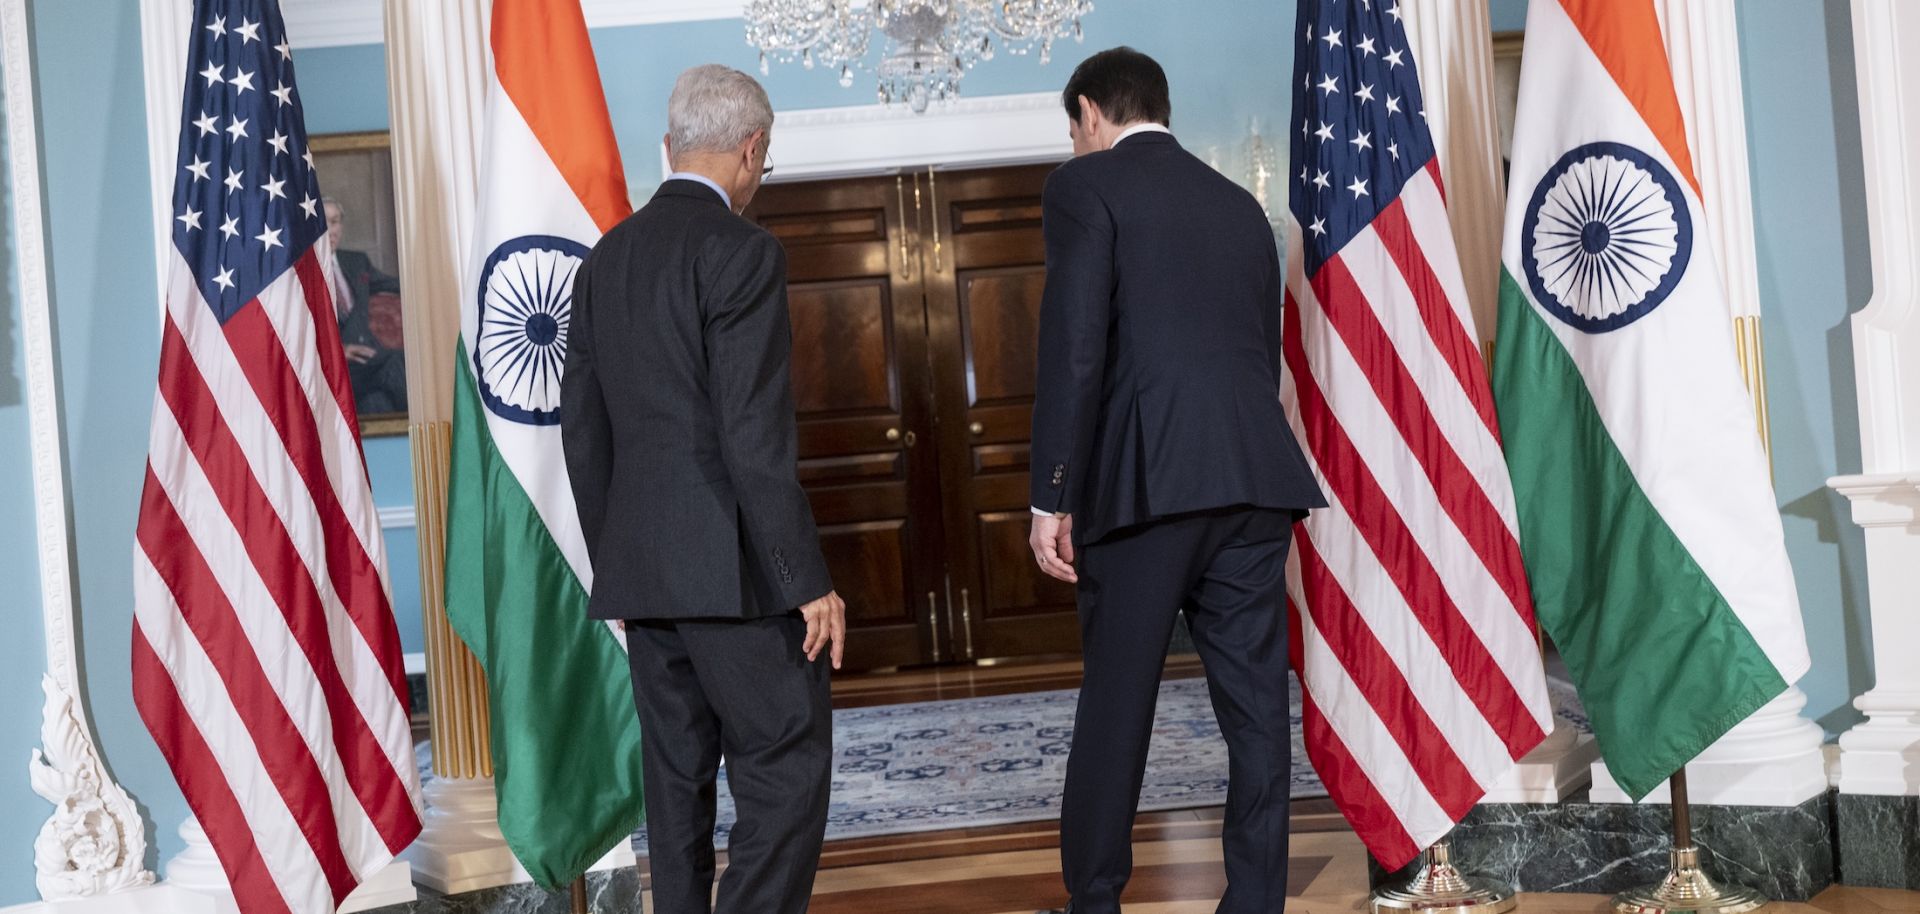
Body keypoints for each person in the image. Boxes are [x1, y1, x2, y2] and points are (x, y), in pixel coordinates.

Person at [1027, 47, 1326, 914]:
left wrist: (1053, 493)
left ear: (1089, 113)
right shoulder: (1240, 205)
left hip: (1146, 490)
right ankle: (1255, 903)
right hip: (1255, 483)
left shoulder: (1082, 189)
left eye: (1073, 127)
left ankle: (1095, 904)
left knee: (1117, 711)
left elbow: (1075, 349)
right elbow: (1256, 349)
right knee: (1256, 714)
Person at [559, 64, 847, 914]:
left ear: (669, 146)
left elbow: (584, 433)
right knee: (785, 771)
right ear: (753, 150)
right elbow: (752, 437)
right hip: (738, 580)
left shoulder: (606, 258)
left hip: (644, 578)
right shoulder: (745, 251)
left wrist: (619, 562)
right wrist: (809, 582)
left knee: (675, 786)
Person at [323, 198, 407, 415]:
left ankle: (417, 441)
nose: (330, 230)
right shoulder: (301, 273)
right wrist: (339, 351)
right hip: (335, 367)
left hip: (368, 361)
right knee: (394, 361)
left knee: (377, 404)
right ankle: (428, 421)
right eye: (324, 222)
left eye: (335, 222)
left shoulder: (356, 261)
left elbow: (400, 285)